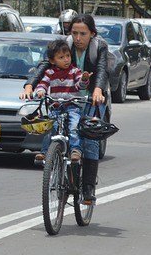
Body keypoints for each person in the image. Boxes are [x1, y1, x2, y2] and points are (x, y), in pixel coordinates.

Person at [23, 14, 108, 202]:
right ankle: (54, 158)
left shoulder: (99, 47)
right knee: (53, 126)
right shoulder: (65, 45)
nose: (78, 38)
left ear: (92, 34)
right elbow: (46, 64)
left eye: (83, 34)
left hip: (91, 100)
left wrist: (98, 90)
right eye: (75, 33)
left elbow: (102, 69)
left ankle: (87, 190)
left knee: (90, 142)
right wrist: (30, 84)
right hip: (63, 100)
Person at [25, 39, 86, 162]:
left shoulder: (75, 71)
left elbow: (80, 85)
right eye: (61, 57)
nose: (66, 60)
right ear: (52, 60)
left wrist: (84, 79)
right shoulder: (49, 73)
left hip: (72, 106)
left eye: (68, 56)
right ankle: (45, 152)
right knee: (50, 128)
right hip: (56, 106)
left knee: (74, 126)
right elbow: (42, 84)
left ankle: (76, 150)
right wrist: (40, 91)